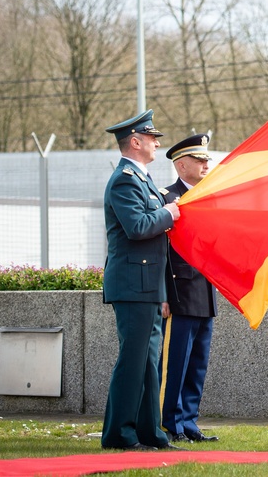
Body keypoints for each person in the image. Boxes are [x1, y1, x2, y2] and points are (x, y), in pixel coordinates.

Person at [101, 109, 185, 452]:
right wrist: (169, 213)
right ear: (135, 141)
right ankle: (119, 434)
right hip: (132, 285)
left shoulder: (143, 178)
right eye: (151, 137)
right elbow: (137, 227)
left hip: (147, 287)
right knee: (133, 362)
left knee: (149, 365)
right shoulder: (124, 179)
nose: (156, 142)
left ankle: (151, 434)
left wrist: (162, 293)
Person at [159, 133, 220, 443]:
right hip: (180, 292)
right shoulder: (165, 198)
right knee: (176, 364)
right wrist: (164, 295)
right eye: (199, 159)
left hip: (205, 291)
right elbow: (160, 252)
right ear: (181, 165)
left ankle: (189, 422)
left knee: (197, 363)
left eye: (207, 158)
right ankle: (171, 423)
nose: (206, 163)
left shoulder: (209, 197)